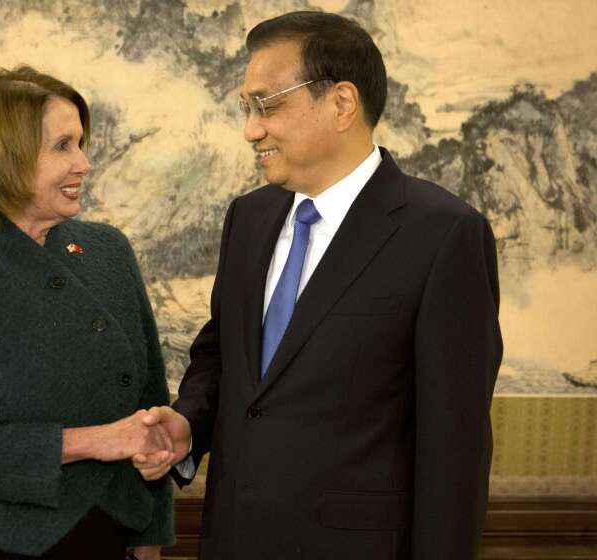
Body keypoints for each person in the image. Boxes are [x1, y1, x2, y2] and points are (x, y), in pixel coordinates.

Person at [133, 11, 502, 560]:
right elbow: (222, 357)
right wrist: (190, 422)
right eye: (247, 108)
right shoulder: (249, 218)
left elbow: (454, 447)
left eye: (269, 105)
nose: (251, 129)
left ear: (342, 103)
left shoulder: (445, 233)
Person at [0, 65, 173, 560]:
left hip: (113, 535)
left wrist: (152, 532)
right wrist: (90, 442)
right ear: (3, 158)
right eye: (62, 146)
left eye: (82, 143)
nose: (84, 163)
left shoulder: (108, 250)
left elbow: (148, 400)